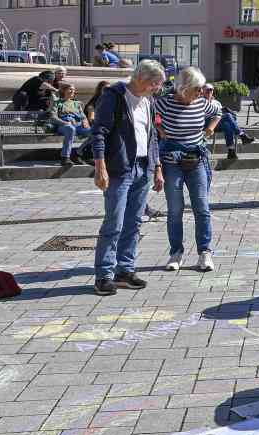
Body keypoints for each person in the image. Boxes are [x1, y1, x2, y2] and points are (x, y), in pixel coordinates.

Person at [91, 60, 166, 297]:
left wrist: (157, 167)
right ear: (142, 79)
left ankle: (125, 270)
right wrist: (100, 166)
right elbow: (99, 131)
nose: (157, 88)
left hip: (143, 167)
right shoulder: (114, 96)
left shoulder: (148, 101)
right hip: (119, 169)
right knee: (114, 223)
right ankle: (103, 275)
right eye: (155, 84)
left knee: (134, 223)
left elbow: (152, 136)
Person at [155, 66, 221, 274]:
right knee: (175, 208)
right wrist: (160, 129)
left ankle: (205, 252)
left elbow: (218, 111)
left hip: (196, 159)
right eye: (197, 89)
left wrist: (210, 128)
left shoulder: (202, 103)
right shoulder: (164, 103)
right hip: (171, 160)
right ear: (184, 88)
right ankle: (176, 252)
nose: (201, 92)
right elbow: (153, 117)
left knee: (201, 206)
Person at [200, 83, 255, 161]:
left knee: (227, 125)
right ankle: (242, 135)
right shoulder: (201, 101)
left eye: (211, 90)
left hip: (217, 124)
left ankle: (231, 151)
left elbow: (219, 114)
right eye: (207, 90)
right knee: (228, 116)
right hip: (206, 124)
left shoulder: (216, 102)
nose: (209, 92)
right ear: (203, 91)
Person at [46, 83, 90, 167]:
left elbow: (83, 117)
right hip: (64, 125)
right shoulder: (57, 102)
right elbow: (53, 117)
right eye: (70, 89)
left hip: (78, 125)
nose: (72, 91)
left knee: (96, 131)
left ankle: (78, 152)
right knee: (70, 129)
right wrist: (65, 122)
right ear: (64, 91)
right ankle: (65, 157)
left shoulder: (77, 103)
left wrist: (85, 122)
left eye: (73, 89)